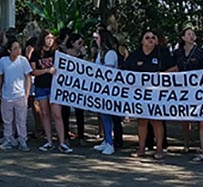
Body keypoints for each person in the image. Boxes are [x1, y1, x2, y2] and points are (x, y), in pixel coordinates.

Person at [123, 30, 175, 160]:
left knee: (156, 121)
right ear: (142, 41)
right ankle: (141, 148)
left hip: (157, 94)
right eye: (147, 37)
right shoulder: (135, 55)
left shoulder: (162, 53)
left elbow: (175, 69)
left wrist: (162, 75)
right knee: (141, 121)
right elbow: (124, 73)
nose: (150, 39)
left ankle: (159, 149)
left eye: (153, 37)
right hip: (140, 95)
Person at [30, 30, 72, 153]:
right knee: (45, 113)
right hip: (41, 86)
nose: (50, 40)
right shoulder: (36, 53)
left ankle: (62, 142)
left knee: (57, 114)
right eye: (48, 38)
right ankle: (48, 141)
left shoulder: (57, 52)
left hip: (55, 87)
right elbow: (33, 71)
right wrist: (47, 70)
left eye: (52, 38)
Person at [0, 39, 33, 151]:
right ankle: (8, 138)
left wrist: (27, 92)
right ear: (9, 50)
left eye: (19, 48)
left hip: (20, 95)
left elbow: (28, 76)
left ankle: (22, 140)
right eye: (15, 48)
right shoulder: (3, 61)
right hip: (7, 95)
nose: (18, 51)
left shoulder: (23, 61)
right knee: (7, 120)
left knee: (21, 120)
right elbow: (0, 75)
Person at [92, 28, 122, 156]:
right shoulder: (101, 53)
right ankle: (106, 139)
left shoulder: (110, 54)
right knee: (104, 115)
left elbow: (108, 73)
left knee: (108, 115)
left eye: (97, 38)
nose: (95, 40)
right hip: (102, 89)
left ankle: (110, 143)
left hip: (109, 90)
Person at [174, 27, 203, 154]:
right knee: (184, 116)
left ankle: (201, 144)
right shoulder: (177, 53)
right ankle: (186, 143)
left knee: (199, 116)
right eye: (188, 34)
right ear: (183, 37)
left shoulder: (200, 52)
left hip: (197, 88)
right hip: (182, 88)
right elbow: (174, 68)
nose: (191, 36)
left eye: (193, 34)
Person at [60, 32, 86, 144]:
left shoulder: (82, 55)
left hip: (78, 87)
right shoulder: (64, 54)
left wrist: (84, 55)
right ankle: (65, 136)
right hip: (66, 86)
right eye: (79, 42)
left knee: (79, 112)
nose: (81, 45)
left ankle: (81, 136)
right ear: (72, 43)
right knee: (65, 112)